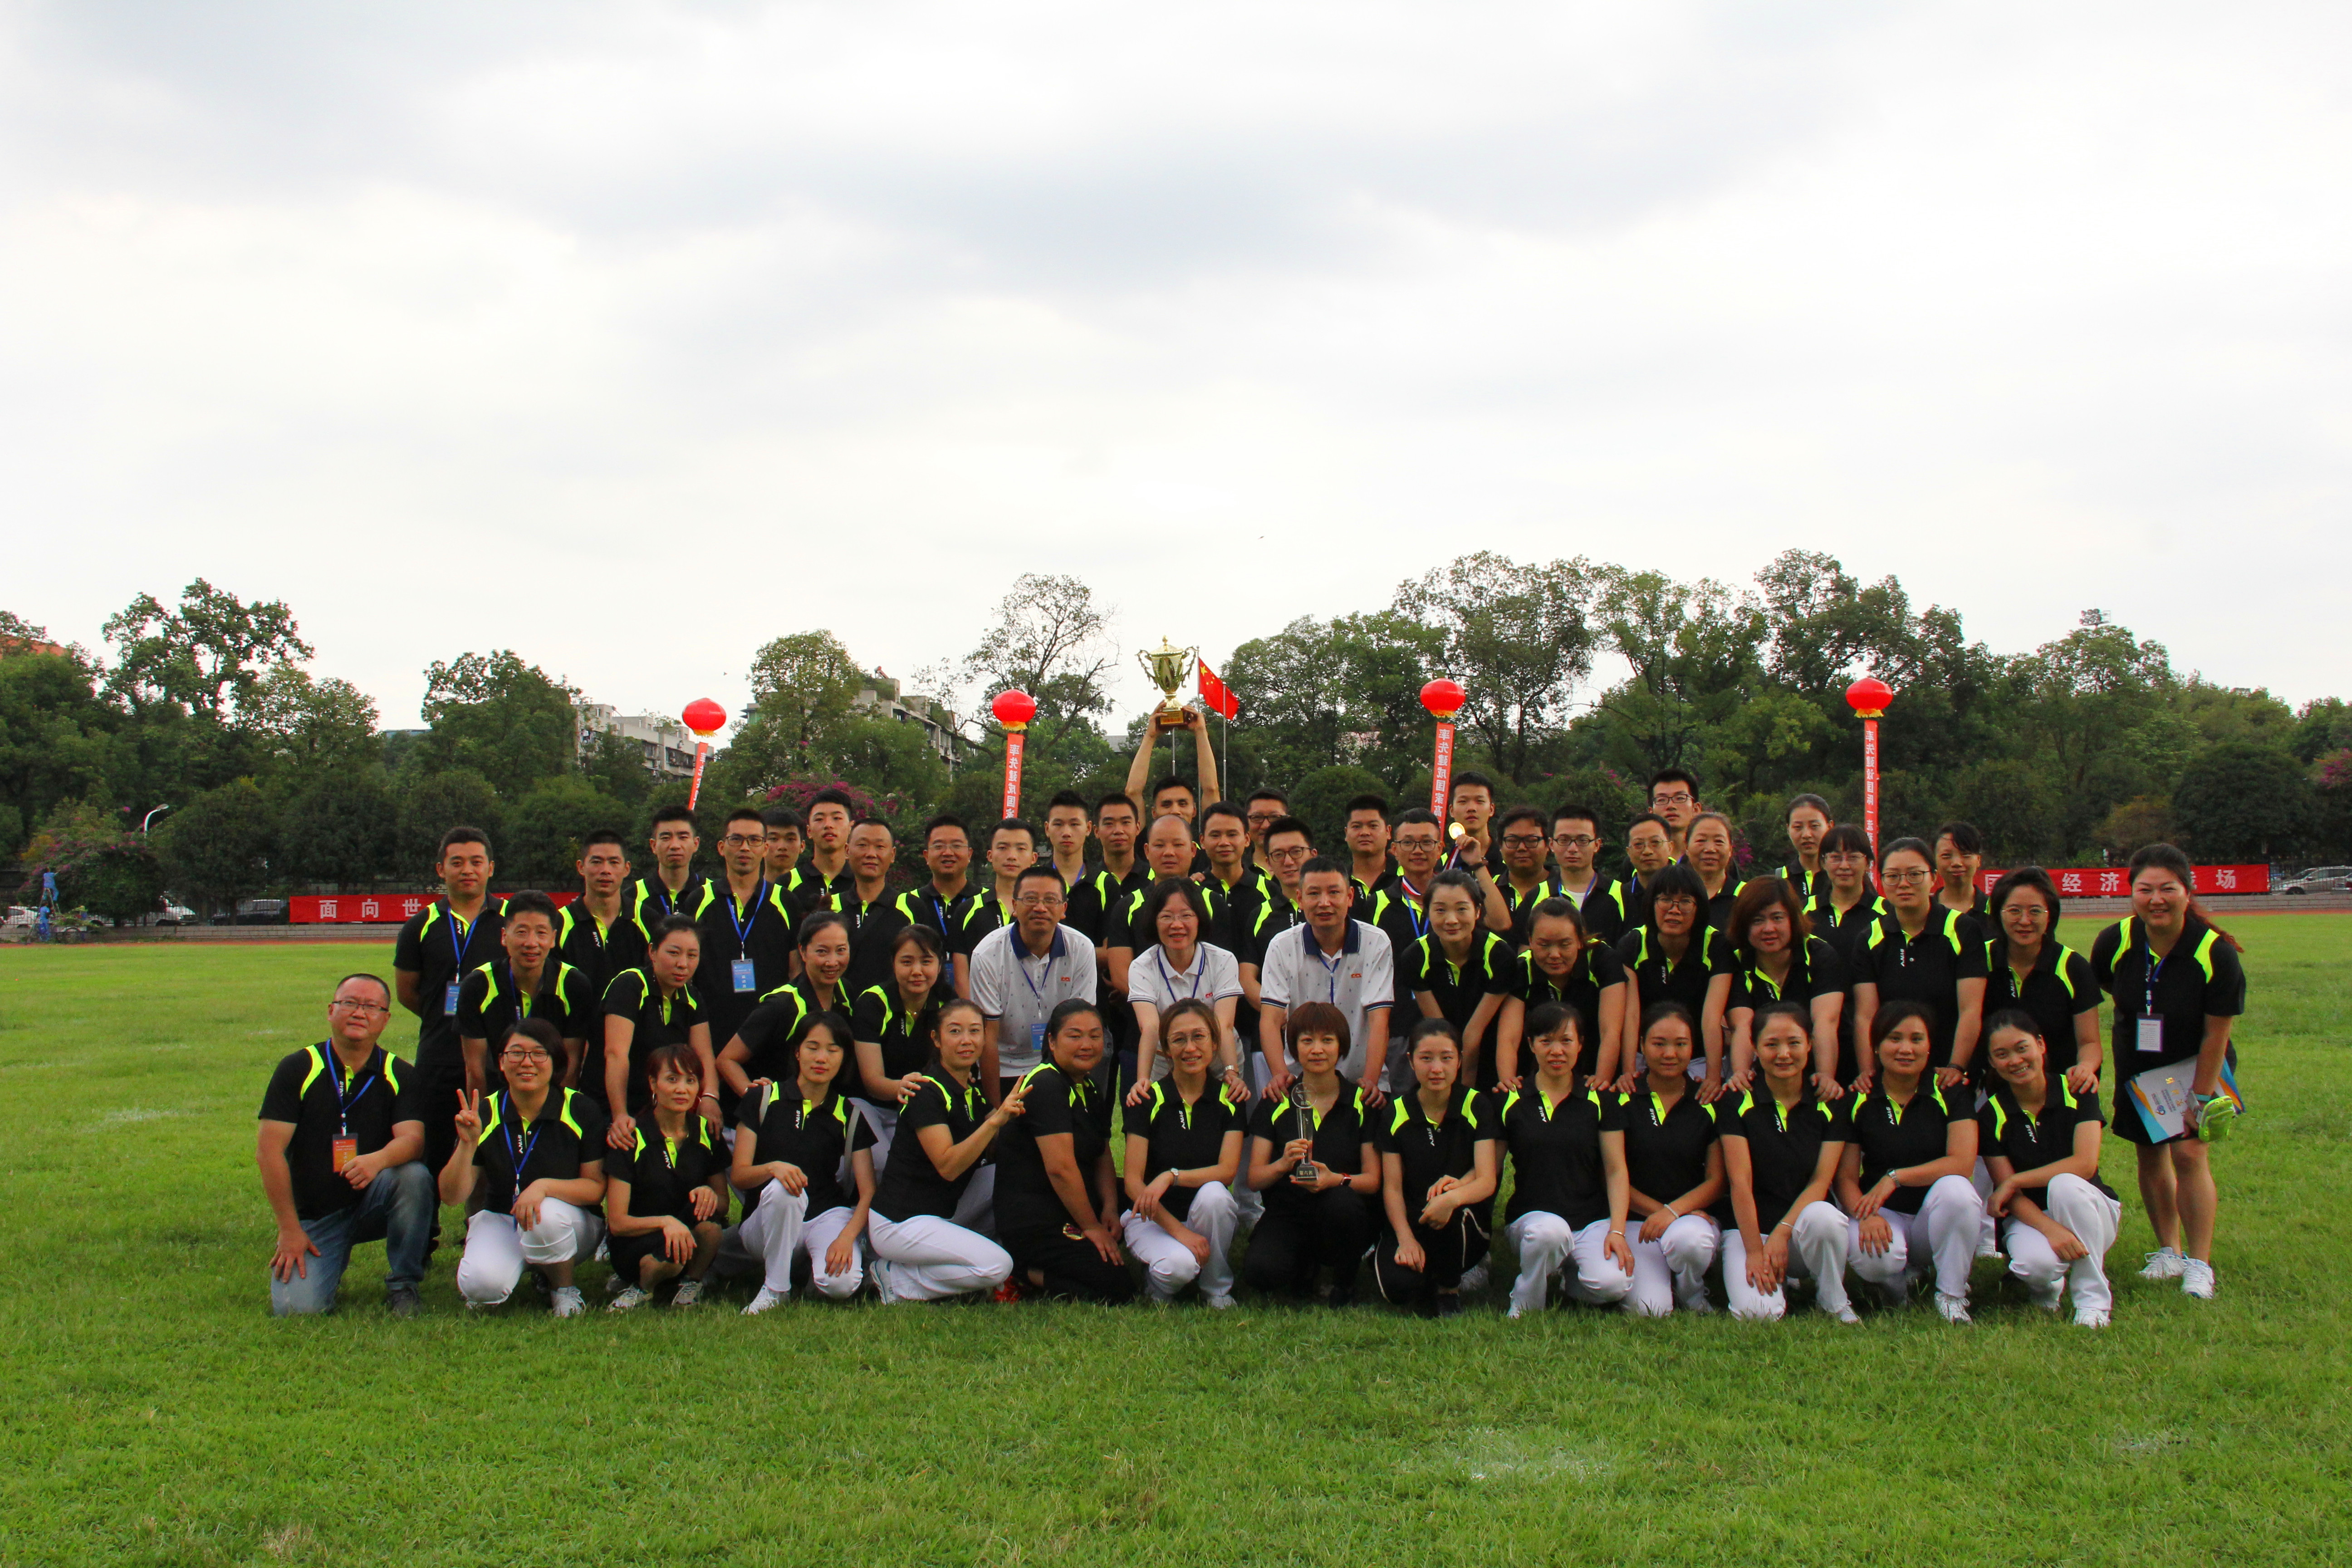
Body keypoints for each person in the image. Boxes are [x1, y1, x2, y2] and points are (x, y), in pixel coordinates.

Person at [2089, 843, 2246, 1301]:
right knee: (2151, 1154)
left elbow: (2216, 1034)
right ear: (2132, 893)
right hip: (2141, 1065)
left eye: (2167, 889)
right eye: (2145, 890)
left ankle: (2200, 1264)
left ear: (2187, 892)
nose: (2156, 899)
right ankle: (2168, 1251)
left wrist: (2200, 1098)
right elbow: (2106, 984)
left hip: (2199, 1064)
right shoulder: (2116, 941)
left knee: (2190, 1154)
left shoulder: (2214, 952)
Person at [257, 973, 432, 1317]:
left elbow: (413, 1140)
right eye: (350, 1003)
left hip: (373, 1202)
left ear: (385, 1019)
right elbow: (269, 1152)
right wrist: (289, 1229)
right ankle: (326, 1257)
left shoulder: (400, 1073)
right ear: (331, 1010)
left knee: (413, 1177)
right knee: (296, 1309)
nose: (359, 1013)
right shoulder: (298, 1068)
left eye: (371, 1007)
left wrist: (377, 1161)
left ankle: (404, 1284)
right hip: (317, 1213)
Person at [441, 1019, 609, 1317]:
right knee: (481, 1288)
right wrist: (467, 1145)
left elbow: (595, 1188)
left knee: (545, 1215)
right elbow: (452, 1196)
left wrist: (543, 1187)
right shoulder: (486, 1111)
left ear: (556, 1062)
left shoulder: (580, 1109)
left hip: (568, 1222)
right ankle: (523, 1266)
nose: (527, 1063)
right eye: (516, 1053)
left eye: (539, 1054)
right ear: (501, 1062)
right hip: (503, 1217)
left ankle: (562, 1288)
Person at [1836, 1002, 1985, 1323]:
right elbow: (1845, 1177)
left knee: (1959, 1191)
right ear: (1876, 1046)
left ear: (1930, 1047)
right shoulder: (1859, 1097)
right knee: (1875, 1258)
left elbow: (1962, 1163)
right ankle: (1896, 1289)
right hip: (1883, 1213)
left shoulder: (1950, 1091)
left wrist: (1895, 1177)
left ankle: (1951, 1296)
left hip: (1934, 1216)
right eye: (1895, 1039)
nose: (1906, 1049)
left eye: (1917, 1039)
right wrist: (1865, 1215)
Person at [866, 1000, 1020, 1303]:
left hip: (942, 1211)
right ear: (936, 1039)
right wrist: (995, 1121)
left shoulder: (970, 1091)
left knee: (1008, 1175)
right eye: (955, 1031)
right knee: (997, 1266)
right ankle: (895, 1278)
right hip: (900, 1222)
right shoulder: (926, 1091)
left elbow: (1003, 1139)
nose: (967, 1040)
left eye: (975, 1031)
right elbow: (948, 1166)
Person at [1978, 1010, 2123, 1327]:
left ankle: (2092, 1301)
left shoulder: (2077, 1089)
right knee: (2034, 1266)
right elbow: (2011, 1197)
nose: (2015, 1061)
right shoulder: (1991, 1114)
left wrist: (2016, 1180)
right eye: (2002, 1055)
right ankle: (2047, 1289)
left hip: (2090, 1208)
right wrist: (2050, 1229)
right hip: (2032, 1215)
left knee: (2065, 1184)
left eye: (2022, 1048)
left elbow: (2085, 1164)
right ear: (1991, 1062)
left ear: (2041, 1045)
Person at [729, 1011, 877, 1313]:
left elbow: (868, 1192)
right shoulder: (763, 1098)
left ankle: (809, 1277)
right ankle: (776, 1289)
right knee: (784, 1189)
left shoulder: (850, 1114)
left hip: (825, 1216)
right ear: (797, 1052)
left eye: (833, 1050)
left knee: (841, 1285)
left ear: (844, 1058)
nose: (822, 1058)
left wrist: (847, 1238)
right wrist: (773, 1168)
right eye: (813, 1047)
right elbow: (740, 1175)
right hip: (767, 1221)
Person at [1718, 1001, 1856, 1323]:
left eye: (1794, 1043)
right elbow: (1740, 1182)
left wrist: (1782, 1233)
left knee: (1826, 1217)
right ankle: (1777, 1283)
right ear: (1755, 1048)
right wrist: (1755, 1251)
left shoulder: (1830, 1101)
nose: (1784, 1054)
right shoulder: (1736, 1100)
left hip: (1801, 1231)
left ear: (1810, 1044)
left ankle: (1834, 1299)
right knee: (1758, 1314)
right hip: (1751, 1231)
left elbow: (1821, 1181)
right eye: (1772, 1045)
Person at [1497, 1003, 1635, 1318]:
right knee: (1550, 1232)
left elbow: (1616, 1171)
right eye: (1546, 1041)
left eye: (1566, 1041)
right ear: (1531, 1045)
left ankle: (1570, 1281)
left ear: (1581, 1044)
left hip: (1590, 1222)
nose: (1556, 1051)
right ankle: (1527, 1300)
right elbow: (1490, 1175)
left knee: (1613, 1285)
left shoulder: (1600, 1098)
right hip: (1532, 1222)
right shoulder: (1511, 1098)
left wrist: (1617, 1230)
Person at [392, 826, 508, 1197]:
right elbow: (408, 992)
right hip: (439, 1056)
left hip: (499, 1057)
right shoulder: (420, 925)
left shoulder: (511, 921)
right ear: (441, 869)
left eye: (476, 862)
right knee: (433, 1148)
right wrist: (450, 1020)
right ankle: (427, 1226)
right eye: (457, 863)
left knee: (496, 1149)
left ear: (491, 868)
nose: (467, 870)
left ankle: (487, 1222)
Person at [993, 1000, 1134, 1302]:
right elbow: (1061, 1169)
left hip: (1074, 1202)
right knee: (1117, 1287)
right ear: (1052, 1042)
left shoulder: (1088, 1086)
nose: (1087, 1045)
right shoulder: (1045, 1084)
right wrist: (1092, 1227)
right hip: (1037, 1218)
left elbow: (1102, 1153)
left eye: (1095, 1036)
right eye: (1075, 1036)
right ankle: (1019, 1274)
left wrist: (1110, 1208)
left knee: (1142, 1199)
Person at [1241, 1004, 1382, 1304]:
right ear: (1294, 1048)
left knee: (1342, 1204)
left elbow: (1373, 1181)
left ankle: (1345, 1280)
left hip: (1341, 1211)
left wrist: (1336, 1180)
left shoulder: (1361, 1103)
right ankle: (1304, 1266)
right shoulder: (1277, 1100)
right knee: (1261, 1272)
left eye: (1327, 1040)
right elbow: (1254, 1179)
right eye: (1307, 1041)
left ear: (1341, 1046)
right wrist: (1282, 1165)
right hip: (1289, 1211)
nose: (1317, 1050)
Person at [1121, 999, 1247, 1307]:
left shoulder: (1230, 1098)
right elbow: (1134, 1184)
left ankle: (1216, 1288)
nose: (1190, 1048)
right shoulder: (1147, 1099)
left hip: (1203, 1215)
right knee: (1180, 1268)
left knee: (1216, 1195)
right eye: (1179, 1040)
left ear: (1215, 1043)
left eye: (1199, 1037)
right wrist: (1180, 1232)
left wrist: (1171, 1176)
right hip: (1152, 1218)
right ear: (1166, 1049)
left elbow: (1227, 1171)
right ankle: (1158, 1286)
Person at [1372, 1019, 1500, 1318]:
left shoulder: (1476, 1105)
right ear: (1411, 1061)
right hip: (1413, 1219)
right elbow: (1392, 1189)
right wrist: (1405, 1239)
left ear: (1459, 1060)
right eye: (1426, 1058)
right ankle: (1411, 1266)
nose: (1437, 1069)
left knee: (1447, 1214)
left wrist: (1451, 1198)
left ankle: (1449, 1290)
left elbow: (1487, 1180)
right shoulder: (1397, 1111)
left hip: (1462, 1219)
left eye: (1446, 1058)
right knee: (1398, 1290)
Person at [1851, 838, 1988, 1092]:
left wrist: (1956, 1067)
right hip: (1892, 1075)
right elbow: (1866, 1015)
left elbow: (1970, 1010)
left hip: (1946, 1074)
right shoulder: (1869, 938)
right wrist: (1869, 1072)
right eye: (1893, 876)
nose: (1904, 884)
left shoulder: (1962, 930)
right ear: (1882, 881)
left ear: (1933, 878)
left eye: (1915, 875)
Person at [603, 1044, 731, 1311]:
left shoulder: (707, 1133)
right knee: (670, 1259)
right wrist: (666, 1222)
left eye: (690, 1081)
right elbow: (617, 1223)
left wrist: (710, 1195)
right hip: (637, 1239)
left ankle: (692, 1282)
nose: (681, 1089)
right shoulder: (631, 1137)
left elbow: (723, 1204)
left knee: (711, 1227)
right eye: (672, 1079)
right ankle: (642, 1287)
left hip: (685, 1234)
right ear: (653, 1084)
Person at [1256, 857, 1394, 1102]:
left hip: (1362, 1081)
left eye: (1334, 892)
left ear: (1350, 897)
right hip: (1301, 1083)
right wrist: (1280, 1076)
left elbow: (1379, 1020)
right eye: (1314, 894)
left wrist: (1371, 1082)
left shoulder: (1376, 942)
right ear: (1300, 899)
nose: (1324, 903)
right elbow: (1270, 1019)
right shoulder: (1281, 946)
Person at [1617, 1003, 1724, 1316]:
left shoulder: (1708, 1101)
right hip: (1638, 1221)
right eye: (1659, 1043)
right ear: (1642, 1045)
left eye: (1681, 1044)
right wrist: (1660, 1213)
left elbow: (1718, 1180)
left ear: (1693, 1047)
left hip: (1693, 1218)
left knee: (1690, 1241)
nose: (1670, 1054)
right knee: (1649, 1310)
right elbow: (1611, 1175)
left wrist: (1674, 1213)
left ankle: (1692, 1291)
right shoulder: (1622, 1098)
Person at [968, 864, 1098, 1099]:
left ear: (1064, 909)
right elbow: (989, 1038)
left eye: (1050, 900)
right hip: (1004, 1065)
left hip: (1059, 1063)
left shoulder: (1081, 948)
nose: (1040, 908)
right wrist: (996, 1110)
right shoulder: (987, 954)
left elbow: (1080, 1028)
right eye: (1030, 899)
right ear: (1014, 906)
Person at [1718, 877, 1847, 1098]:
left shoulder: (1820, 956)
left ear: (1793, 920)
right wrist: (1741, 1074)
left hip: (1818, 1064)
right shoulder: (1737, 960)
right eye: (1757, 921)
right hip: (1766, 1069)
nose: (1769, 929)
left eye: (1777, 918)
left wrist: (1826, 1077)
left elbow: (1825, 1022)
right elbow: (1743, 1025)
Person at [456, 889, 594, 1094]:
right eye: (522, 932)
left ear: (553, 939)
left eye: (541, 933)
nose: (531, 943)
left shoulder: (573, 985)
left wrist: (558, 1111)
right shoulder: (478, 985)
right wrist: (484, 1112)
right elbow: (475, 1071)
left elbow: (570, 1067)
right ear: (505, 936)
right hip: (498, 1098)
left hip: (553, 1099)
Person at [1124, 878, 1247, 1096]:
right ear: (1154, 921)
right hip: (1167, 1061)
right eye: (1166, 917)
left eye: (1186, 916)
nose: (1177, 925)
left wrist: (1231, 1071)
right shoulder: (1142, 967)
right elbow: (1150, 1027)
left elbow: (1224, 1024)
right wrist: (1143, 1079)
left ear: (1200, 919)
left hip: (1218, 1058)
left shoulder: (1223, 960)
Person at [1613, 864, 1730, 1094]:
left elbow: (1712, 1018)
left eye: (1685, 902)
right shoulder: (1633, 944)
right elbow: (1632, 1015)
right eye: (1665, 900)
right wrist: (1628, 1071)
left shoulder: (1716, 946)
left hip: (1699, 1056)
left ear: (1699, 907)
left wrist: (1713, 1077)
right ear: (1652, 903)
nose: (1674, 910)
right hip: (1646, 1053)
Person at [598, 915, 715, 1146]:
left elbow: (704, 1054)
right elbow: (616, 1054)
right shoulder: (630, 985)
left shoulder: (692, 996)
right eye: (674, 953)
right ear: (652, 952)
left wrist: (711, 1096)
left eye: (692, 955)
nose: (683, 964)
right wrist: (620, 1114)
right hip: (614, 1105)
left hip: (660, 1108)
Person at [1985, 867, 2102, 1094]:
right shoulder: (1980, 960)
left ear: (2050, 915)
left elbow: (2090, 1043)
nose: (2025, 921)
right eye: (2014, 911)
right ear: (1999, 913)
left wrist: (2085, 1068)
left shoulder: (2072, 966)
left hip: (2058, 1089)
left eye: (2035, 911)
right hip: (1995, 1091)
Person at [1370, 809, 1508, 1001]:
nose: (1418, 851)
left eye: (1427, 842)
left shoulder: (1460, 898)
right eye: (1408, 843)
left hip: (1455, 1010)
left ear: (1440, 848)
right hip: (1399, 1013)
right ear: (1394, 850)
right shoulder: (1377, 902)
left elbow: (1501, 923)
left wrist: (1477, 864)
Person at [695, 806, 799, 1054]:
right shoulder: (699, 900)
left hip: (772, 1035)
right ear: (722, 847)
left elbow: (796, 971)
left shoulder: (786, 902)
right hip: (712, 1030)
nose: (745, 848)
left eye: (754, 840)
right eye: (736, 840)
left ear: (765, 848)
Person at [718, 911, 857, 1097]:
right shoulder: (781, 1005)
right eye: (822, 952)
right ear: (803, 952)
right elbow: (727, 1060)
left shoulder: (846, 992)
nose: (833, 962)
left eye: (841, 950)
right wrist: (757, 1101)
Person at [1495, 899, 1629, 1090]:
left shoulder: (1603, 960)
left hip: (1591, 1068)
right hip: (1539, 1075)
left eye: (1565, 944)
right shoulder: (1522, 968)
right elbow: (1508, 1039)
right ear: (1530, 941)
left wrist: (1601, 1082)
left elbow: (1611, 1032)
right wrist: (1509, 1086)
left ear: (1580, 940)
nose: (1555, 955)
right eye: (1544, 945)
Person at [1401, 869, 1512, 1091]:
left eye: (1462, 909)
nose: (1451, 920)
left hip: (1490, 1056)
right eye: (1440, 910)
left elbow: (1473, 1034)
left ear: (1477, 911)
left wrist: (1465, 1095)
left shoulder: (1500, 955)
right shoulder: (1415, 957)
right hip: (1441, 1057)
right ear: (1428, 912)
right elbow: (1441, 1031)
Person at [851, 925, 948, 1168]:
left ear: (939, 965)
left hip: (921, 1106)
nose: (917, 971)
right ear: (893, 964)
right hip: (871, 1106)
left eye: (926, 961)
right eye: (907, 962)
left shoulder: (948, 1003)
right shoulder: (873, 1003)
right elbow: (872, 1082)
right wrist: (904, 1087)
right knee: (886, 1165)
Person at [951, 818, 1038, 997]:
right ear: (990, 855)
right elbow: (961, 979)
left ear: (1034, 858)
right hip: (981, 1009)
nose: (1012, 856)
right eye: (1003, 848)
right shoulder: (968, 910)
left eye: (1021, 849)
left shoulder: (1044, 911)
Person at [557, 828, 637, 998]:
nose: (605, 870)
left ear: (627, 869)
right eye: (597, 862)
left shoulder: (647, 920)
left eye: (614, 862)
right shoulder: (560, 924)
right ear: (581, 867)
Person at [835, 818, 911, 996]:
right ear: (847, 851)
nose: (871, 854)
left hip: (891, 1009)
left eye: (880, 847)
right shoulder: (830, 907)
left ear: (892, 855)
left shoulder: (910, 907)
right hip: (839, 1009)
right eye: (862, 845)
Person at [1546, 804, 1630, 947]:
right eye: (1564, 840)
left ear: (1597, 845)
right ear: (1552, 844)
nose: (1573, 849)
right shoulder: (1537, 895)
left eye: (1583, 841)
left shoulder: (1621, 895)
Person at [1124, 704, 1222, 823]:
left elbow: (1211, 790)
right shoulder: (1140, 835)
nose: (1175, 811)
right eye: (1166, 805)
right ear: (1154, 812)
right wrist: (1150, 736)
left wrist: (1200, 731)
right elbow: (1133, 792)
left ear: (1194, 810)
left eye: (1183, 804)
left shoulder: (1209, 835)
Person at [1806, 824, 1885, 966]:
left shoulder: (1887, 913)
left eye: (1853, 857)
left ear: (1868, 863)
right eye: (1836, 858)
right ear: (1823, 863)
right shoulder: (1804, 910)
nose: (1844, 866)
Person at [627, 804, 712, 935]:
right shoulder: (632, 898)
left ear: (696, 844)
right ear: (654, 845)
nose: (675, 846)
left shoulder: (714, 896)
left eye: (683, 837)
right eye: (666, 838)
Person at [897, 814, 974, 948]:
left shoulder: (987, 902)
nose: (948, 853)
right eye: (939, 847)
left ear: (969, 854)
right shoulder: (906, 903)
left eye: (957, 846)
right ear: (926, 856)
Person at [1683, 812, 1746, 929]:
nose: (1710, 849)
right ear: (1686, 847)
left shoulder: (1746, 895)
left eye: (1719, 841)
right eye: (1701, 841)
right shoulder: (1673, 895)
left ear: (1730, 850)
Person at [799, 787, 858, 910]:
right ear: (809, 831)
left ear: (851, 827)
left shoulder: (861, 883)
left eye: (837, 818)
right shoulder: (789, 883)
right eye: (819, 819)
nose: (828, 825)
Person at [1619, 812, 1678, 933]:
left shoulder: (1688, 892)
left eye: (1655, 842)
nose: (1647, 851)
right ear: (1629, 852)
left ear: (1670, 847)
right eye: (1638, 844)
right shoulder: (1619, 898)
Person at [1343, 794, 1399, 906]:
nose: (1365, 833)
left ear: (1388, 832)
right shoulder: (1340, 882)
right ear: (1346, 833)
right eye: (1356, 827)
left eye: (1373, 826)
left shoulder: (1405, 877)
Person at [1780, 794, 1834, 904]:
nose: (1806, 835)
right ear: (1788, 829)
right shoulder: (1776, 880)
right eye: (1798, 827)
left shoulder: (1841, 879)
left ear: (1830, 826)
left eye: (1814, 826)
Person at [1933, 821, 1991, 921]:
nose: (1957, 863)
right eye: (1946, 855)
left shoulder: (1996, 911)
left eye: (1966, 855)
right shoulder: (1924, 912)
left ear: (1978, 860)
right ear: (1935, 861)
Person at [1042, 790, 1095, 893]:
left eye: (1074, 824)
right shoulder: (1032, 879)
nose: (1066, 833)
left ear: (1088, 828)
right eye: (1058, 824)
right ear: (1047, 829)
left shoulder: (1105, 883)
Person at [760, 806, 813, 906]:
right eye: (774, 839)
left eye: (790, 839)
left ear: (802, 846)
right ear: (761, 844)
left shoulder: (812, 894)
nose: (782, 847)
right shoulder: (749, 892)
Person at [1647, 769, 1703, 857]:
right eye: (1662, 800)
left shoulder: (1707, 858)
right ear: (1651, 813)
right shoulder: (1642, 860)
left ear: (1696, 809)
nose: (1671, 806)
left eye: (1680, 798)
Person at [1243, 788, 1290, 878]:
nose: (1266, 826)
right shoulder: (1237, 873)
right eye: (1257, 818)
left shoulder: (1305, 871)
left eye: (1275, 817)